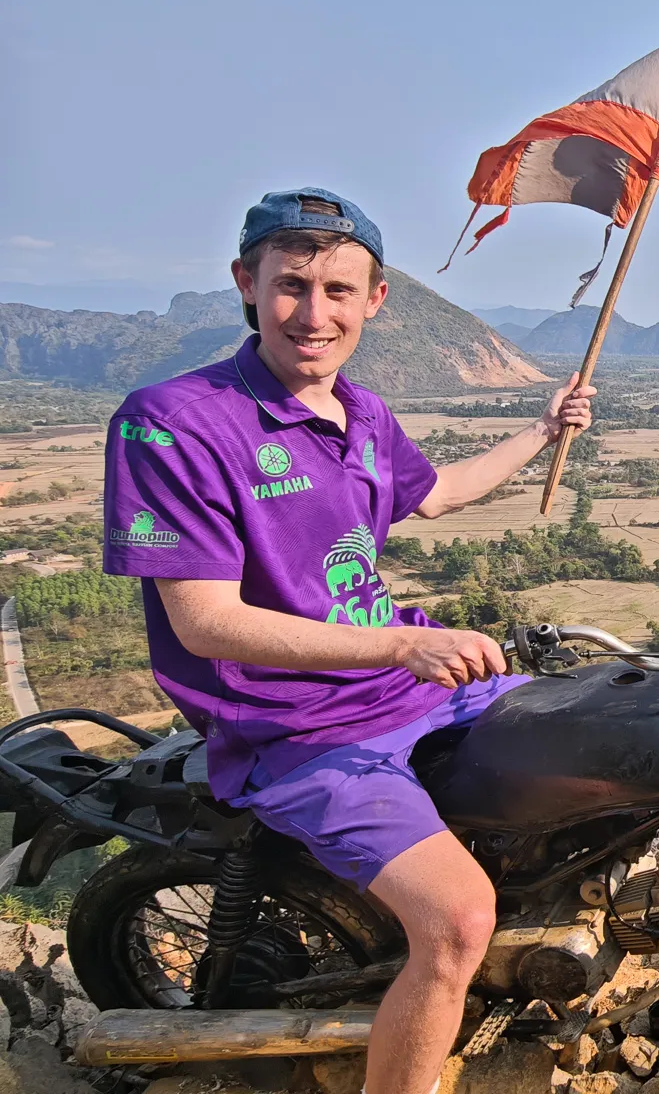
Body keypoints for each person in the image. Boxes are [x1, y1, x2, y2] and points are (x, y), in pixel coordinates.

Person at [101, 187, 595, 1094]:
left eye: (339, 291)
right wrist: (402, 648)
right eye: (291, 286)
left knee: (603, 742)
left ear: (376, 301)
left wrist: (541, 428)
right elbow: (204, 622)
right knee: (457, 922)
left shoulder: (362, 415)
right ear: (247, 284)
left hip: (409, 691)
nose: (313, 314)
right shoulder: (174, 420)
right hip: (293, 728)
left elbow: (438, 492)